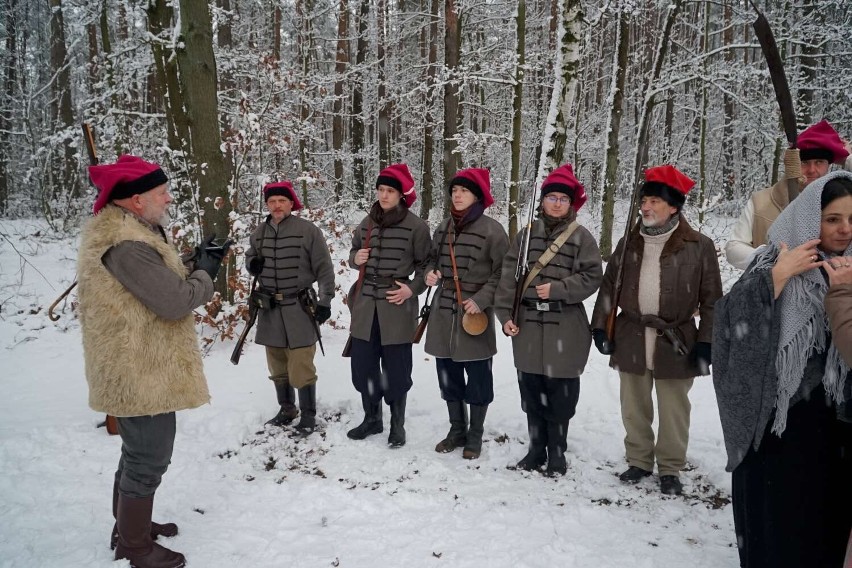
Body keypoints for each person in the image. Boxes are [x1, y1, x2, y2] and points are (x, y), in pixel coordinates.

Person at [78, 155, 225, 568]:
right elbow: (175, 301)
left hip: (138, 364)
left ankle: (128, 528)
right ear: (136, 200)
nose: (170, 198)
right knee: (149, 457)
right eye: (163, 193)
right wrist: (207, 274)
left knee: (136, 452)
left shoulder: (134, 234)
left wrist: (195, 262)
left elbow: (161, 285)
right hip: (138, 370)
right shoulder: (127, 245)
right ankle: (135, 547)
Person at [712, 171, 852, 567]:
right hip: (778, 430)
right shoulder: (772, 263)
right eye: (832, 219)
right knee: (778, 528)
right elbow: (728, 330)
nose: (844, 230)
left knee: (825, 528)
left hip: (837, 434)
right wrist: (777, 277)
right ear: (810, 218)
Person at [590, 165, 722, 495]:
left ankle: (671, 468)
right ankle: (638, 460)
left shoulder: (699, 245)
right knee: (633, 405)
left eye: (654, 201)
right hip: (632, 335)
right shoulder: (629, 241)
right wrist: (600, 328)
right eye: (644, 200)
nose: (645, 207)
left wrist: (707, 343)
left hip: (677, 340)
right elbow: (609, 287)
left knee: (674, 408)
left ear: (674, 206)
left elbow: (712, 301)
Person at [493, 163, 602, 475]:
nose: (557, 203)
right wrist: (505, 316)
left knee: (561, 392)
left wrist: (559, 289)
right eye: (552, 197)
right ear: (542, 201)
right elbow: (508, 279)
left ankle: (557, 452)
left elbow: (593, 276)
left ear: (571, 204)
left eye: (563, 199)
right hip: (527, 324)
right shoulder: (525, 237)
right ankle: (535, 450)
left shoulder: (582, 238)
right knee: (531, 389)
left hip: (565, 325)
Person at [423, 168, 509, 459]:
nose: (457, 196)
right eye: (455, 191)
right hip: (443, 311)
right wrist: (429, 274)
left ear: (477, 196)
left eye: (464, 191)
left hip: (474, 314)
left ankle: (475, 435)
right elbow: (430, 260)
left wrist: (483, 299)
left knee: (479, 378)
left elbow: (503, 273)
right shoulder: (443, 227)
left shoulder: (493, 230)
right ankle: (456, 430)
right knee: (448, 376)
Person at [346, 163, 431, 447]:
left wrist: (411, 289)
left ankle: (397, 424)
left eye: (390, 191)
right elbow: (354, 250)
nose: (383, 195)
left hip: (397, 303)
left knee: (396, 369)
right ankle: (372, 419)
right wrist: (355, 257)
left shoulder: (416, 227)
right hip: (365, 302)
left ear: (401, 194)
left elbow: (426, 265)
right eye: (381, 189)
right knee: (364, 366)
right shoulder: (367, 222)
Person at [244, 181, 335, 434]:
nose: (276, 206)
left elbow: (324, 269)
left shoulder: (308, 231)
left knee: (301, 363)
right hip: (269, 308)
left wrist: (325, 302)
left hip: (300, 308)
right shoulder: (259, 233)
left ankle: (308, 415)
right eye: (272, 201)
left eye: (281, 201)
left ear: (291, 203)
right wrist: (252, 263)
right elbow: (250, 255)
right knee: (277, 364)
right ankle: (287, 409)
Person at [725, 119, 852, 269]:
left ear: (829, 164)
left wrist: (849, 160)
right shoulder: (761, 201)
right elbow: (734, 248)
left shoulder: (844, 200)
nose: (812, 170)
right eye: (804, 162)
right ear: (793, 163)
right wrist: (773, 259)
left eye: (819, 162)